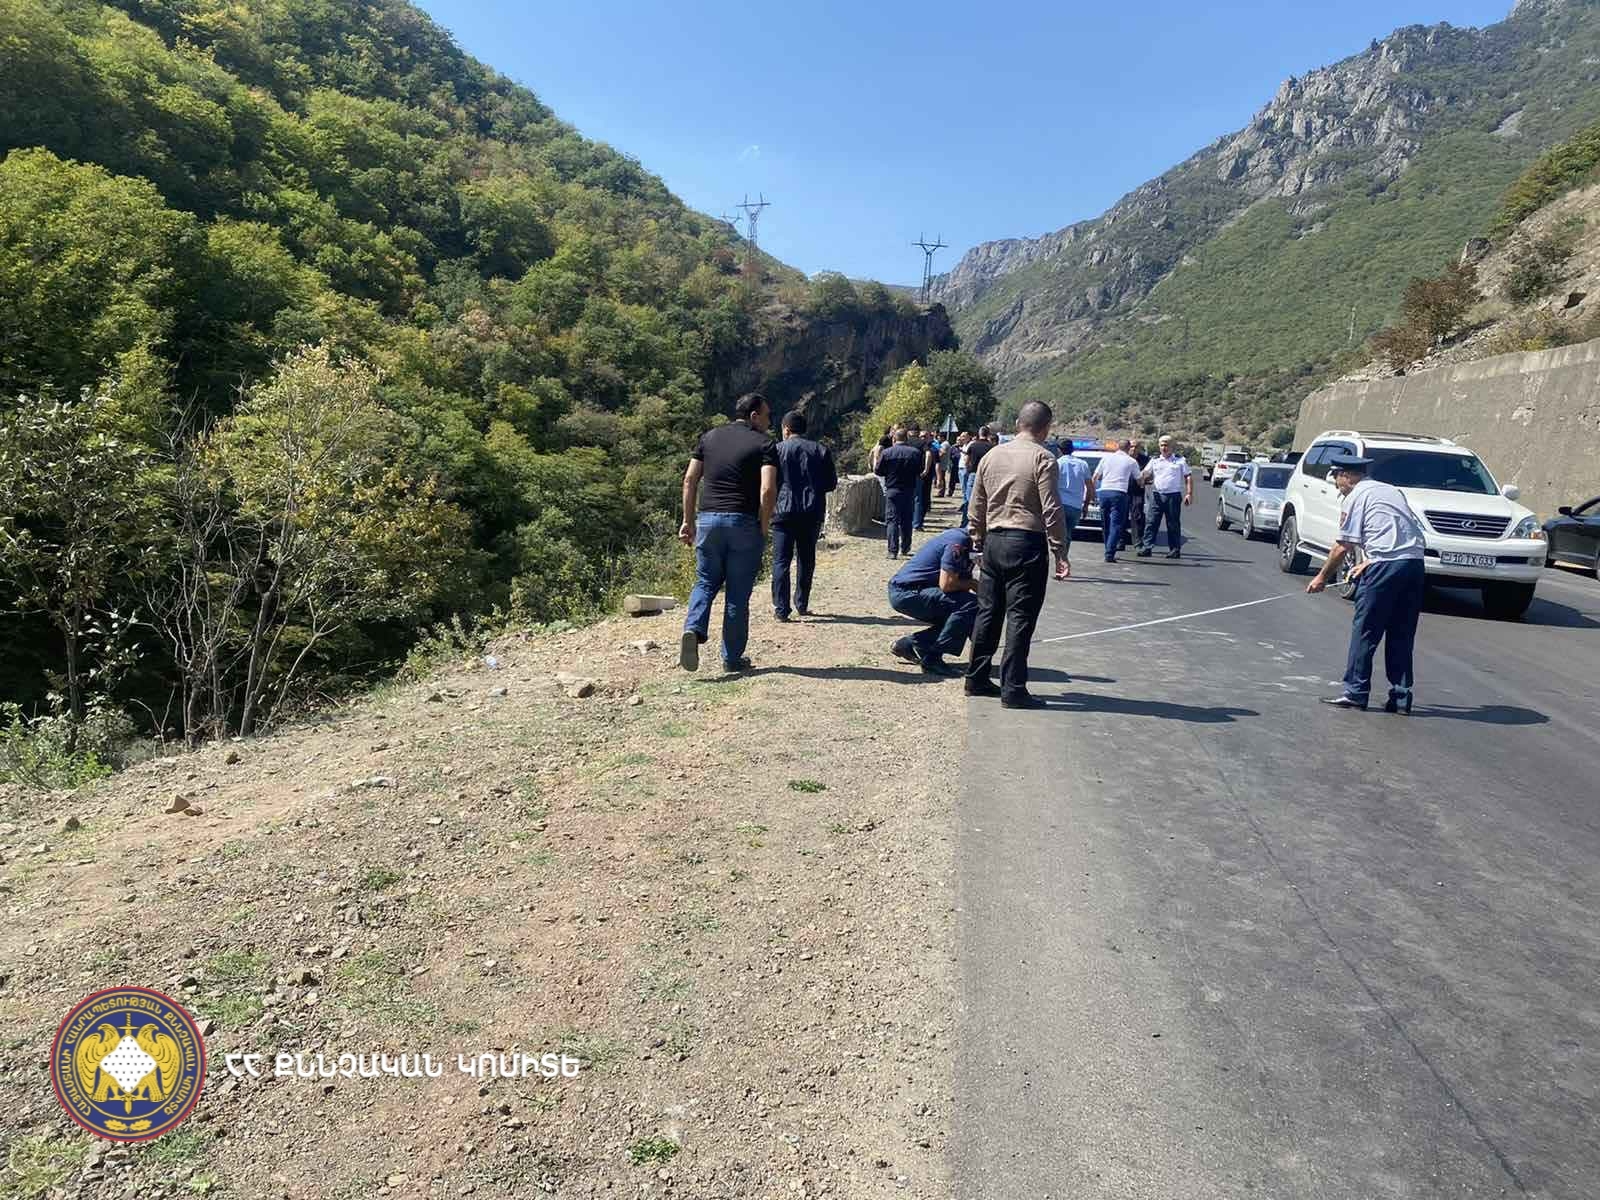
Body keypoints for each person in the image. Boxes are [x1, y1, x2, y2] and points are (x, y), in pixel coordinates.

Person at [965, 401, 1070, 709]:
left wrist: (977, 539)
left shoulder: (992, 455)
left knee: (988, 612)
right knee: (1020, 617)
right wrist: (1060, 550)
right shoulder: (1043, 458)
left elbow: (977, 503)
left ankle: (976, 678)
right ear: (1046, 428)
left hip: (994, 541)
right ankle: (1013, 688)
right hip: (1026, 542)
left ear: (1017, 424)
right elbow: (1052, 508)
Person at [1307, 454, 1427, 712]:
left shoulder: (1356, 496)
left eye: (1336, 478)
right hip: (1414, 564)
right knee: (1402, 632)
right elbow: (1398, 530)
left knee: (1366, 630)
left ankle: (1355, 692)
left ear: (1346, 476)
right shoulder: (1390, 491)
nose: (1336, 484)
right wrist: (1371, 560)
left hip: (1385, 567)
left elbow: (1342, 546)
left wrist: (1321, 577)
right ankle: (1401, 697)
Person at [680, 393, 778, 673]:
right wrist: (763, 525)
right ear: (754, 416)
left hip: (708, 521)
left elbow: (689, 480)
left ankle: (693, 628)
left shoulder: (708, 437)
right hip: (742, 522)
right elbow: (767, 489)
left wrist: (688, 521)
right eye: (767, 416)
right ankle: (732, 659)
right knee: (737, 593)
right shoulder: (764, 443)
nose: (769, 422)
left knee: (705, 581)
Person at [770, 410, 837, 621]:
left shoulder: (776, 450)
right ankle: (802, 603)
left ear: (786, 429)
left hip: (783, 511)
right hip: (811, 511)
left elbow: (769, 482)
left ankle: (781, 609)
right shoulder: (820, 450)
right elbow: (831, 483)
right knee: (806, 559)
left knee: (781, 561)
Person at [886, 526, 979, 676]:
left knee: (964, 613)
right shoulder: (958, 541)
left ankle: (912, 644)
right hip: (906, 592)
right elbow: (947, 584)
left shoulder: (968, 542)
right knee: (970, 605)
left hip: (915, 590)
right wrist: (974, 585)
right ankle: (932, 660)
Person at [1138, 435, 1193, 559]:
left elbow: (1188, 476)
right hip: (1157, 495)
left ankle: (1174, 549)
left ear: (1172, 447)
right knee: (1151, 522)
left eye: (1166, 445)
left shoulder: (1180, 460)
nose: (1164, 448)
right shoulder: (1154, 460)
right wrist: (1142, 478)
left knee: (1173, 524)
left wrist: (1189, 493)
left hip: (1173, 496)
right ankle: (1147, 547)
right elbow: (1145, 473)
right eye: (1162, 445)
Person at [875, 429, 923, 558]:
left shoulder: (887, 453)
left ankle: (892, 550)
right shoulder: (915, 453)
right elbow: (919, 470)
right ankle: (905, 547)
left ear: (894, 439)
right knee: (907, 519)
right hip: (909, 489)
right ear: (906, 439)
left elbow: (878, 471)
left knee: (892, 520)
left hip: (892, 489)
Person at [1091, 440, 1139, 563]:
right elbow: (1139, 479)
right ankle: (1109, 553)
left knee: (1105, 523)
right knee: (1116, 524)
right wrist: (1145, 482)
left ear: (1117, 447)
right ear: (1128, 448)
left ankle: (1107, 547)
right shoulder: (1131, 461)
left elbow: (1095, 477)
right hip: (1119, 493)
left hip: (1104, 492)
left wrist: (1092, 493)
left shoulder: (1106, 458)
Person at [1055, 444, 1091, 543]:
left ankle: (1058, 552)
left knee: (1057, 534)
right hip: (1076, 506)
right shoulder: (1083, 464)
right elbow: (1090, 488)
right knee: (1067, 534)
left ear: (1059, 450)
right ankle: (1064, 552)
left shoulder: (1057, 463)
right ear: (1072, 450)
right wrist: (1086, 505)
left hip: (1060, 504)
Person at [961, 426, 995, 526]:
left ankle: (965, 523)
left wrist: (968, 470)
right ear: (988, 434)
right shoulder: (992, 447)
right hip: (987, 476)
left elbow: (966, 461)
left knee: (969, 500)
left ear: (979, 434)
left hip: (974, 474)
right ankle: (982, 523)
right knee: (985, 501)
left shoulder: (972, 446)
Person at [1127, 438, 1150, 549]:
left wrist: (1146, 478)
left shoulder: (1145, 460)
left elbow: (1150, 473)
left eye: (1136, 447)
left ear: (1140, 449)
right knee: (1121, 516)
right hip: (1123, 491)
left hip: (1138, 491)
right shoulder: (1123, 458)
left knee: (1137, 515)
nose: (1133, 449)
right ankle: (1120, 541)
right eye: (1131, 446)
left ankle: (1137, 541)